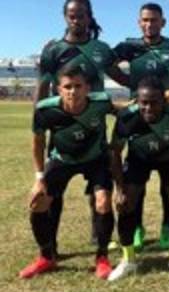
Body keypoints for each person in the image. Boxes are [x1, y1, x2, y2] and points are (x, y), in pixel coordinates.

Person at [36, 0, 127, 252]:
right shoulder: (53, 50)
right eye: (72, 16)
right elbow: (43, 86)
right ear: (65, 17)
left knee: (98, 185)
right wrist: (40, 116)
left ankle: (99, 237)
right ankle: (51, 244)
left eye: (81, 15)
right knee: (54, 188)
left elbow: (120, 76)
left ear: (89, 17)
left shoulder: (101, 49)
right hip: (62, 125)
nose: (76, 20)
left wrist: (148, 87)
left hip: (94, 123)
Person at [24, 64, 118, 280]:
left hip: (96, 159)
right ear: (59, 89)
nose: (73, 91)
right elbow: (38, 143)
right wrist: (39, 178)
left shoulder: (101, 102)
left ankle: (102, 258)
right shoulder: (45, 110)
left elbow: (123, 112)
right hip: (62, 160)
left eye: (78, 86)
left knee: (103, 201)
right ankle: (46, 257)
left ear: (87, 88)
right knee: (38, 202)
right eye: (67, 86)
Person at [113, 1, 169, 251]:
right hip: (141, 114)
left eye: (154, 20)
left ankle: (168, 227)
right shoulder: (129, 46)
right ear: (139, 23)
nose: (149, 24)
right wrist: (128, 82)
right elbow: (107, 64)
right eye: (145, 20)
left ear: (162, 22)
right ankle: (136, 228)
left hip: (166, 113)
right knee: (135, 182)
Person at [107, 77, 169, 281]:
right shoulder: (127, 118)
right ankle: (128, 259)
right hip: (138, 159)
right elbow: (115, 153)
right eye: (143, 103)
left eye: (154, 103)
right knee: (126, 203)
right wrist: (119, 190)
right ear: (137, 101)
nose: (148, 108)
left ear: (164, 101)